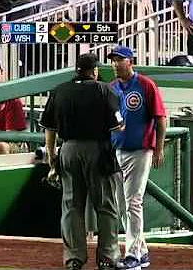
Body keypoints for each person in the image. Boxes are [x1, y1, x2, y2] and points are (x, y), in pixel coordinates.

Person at [40, 53, 123, 270]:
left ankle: (74, 259)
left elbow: (49, 128)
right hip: (97, 149)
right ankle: (107, 258)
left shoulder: (60, 91)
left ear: (76, 69)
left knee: (71, 206)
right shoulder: (104, 90)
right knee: (105, 206)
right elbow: (118, 126)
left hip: (68, 149)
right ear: (95, 71)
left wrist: (51, 155)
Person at [107, 45, 166, 269]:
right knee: (122, 204)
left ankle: (132, 254)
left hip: (140, 150)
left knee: (133, 202)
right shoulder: (111, 88)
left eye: (119, 60)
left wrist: (158, 148)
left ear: (130, 62)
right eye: (113, 60)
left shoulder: (145, 85)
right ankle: (141, 251)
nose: (115, 64)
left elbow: (161, 118)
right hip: (117, 149)